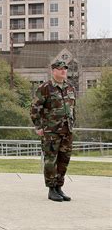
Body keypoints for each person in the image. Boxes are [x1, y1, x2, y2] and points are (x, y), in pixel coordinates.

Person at [31, 60, 76, 202]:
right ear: (53, 71)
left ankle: (59, 187)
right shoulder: (45, 88)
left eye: (65, 69)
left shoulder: (70, 87)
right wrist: (38, 127)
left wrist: (73, 124)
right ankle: (51, 189)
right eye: (60, 69)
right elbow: (34, 109)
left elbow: (73, 108)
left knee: (64, 160)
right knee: (51, 161)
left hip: (67, 130)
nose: (63, 71)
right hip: (51, 131)